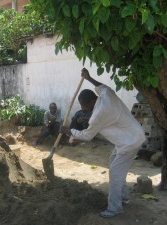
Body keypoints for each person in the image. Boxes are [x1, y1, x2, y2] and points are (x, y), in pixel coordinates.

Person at [60, 68, 146, 218]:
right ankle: (124, 196)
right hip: (131, 135)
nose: (82, 109)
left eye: (84, 106)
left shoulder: (98, 115)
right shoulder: (106, 94)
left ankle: (114, 208)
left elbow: (87, 135)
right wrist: (89, 78)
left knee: (114, 173)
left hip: (130, 142)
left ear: (92, 102)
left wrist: (69, 132)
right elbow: (103, 87)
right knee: (114, 162)